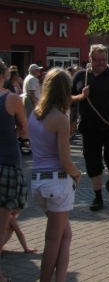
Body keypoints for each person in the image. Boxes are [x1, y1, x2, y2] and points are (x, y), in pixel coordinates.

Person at [29, 68, 82, 282]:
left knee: (64, 236)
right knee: (53, 239)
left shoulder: (34, 114)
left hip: (38, 181)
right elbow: (65, 161)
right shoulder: (59, 119)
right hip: (57, 182)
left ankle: (59, 279)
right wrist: (77, 174)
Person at [71, 44, 109, 212]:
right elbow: (69, 98)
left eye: (104, 59)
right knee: (93, 163)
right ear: (90, 59)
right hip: (89, 129)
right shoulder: (80, 76)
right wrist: (81, 96)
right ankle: (97, 196)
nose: (102, 63)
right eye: (98, 60)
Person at [0, 59, 29, 282]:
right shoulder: (11, 99)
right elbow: (24, 129)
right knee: (5, 217)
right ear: (4, 76)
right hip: (8, 163)